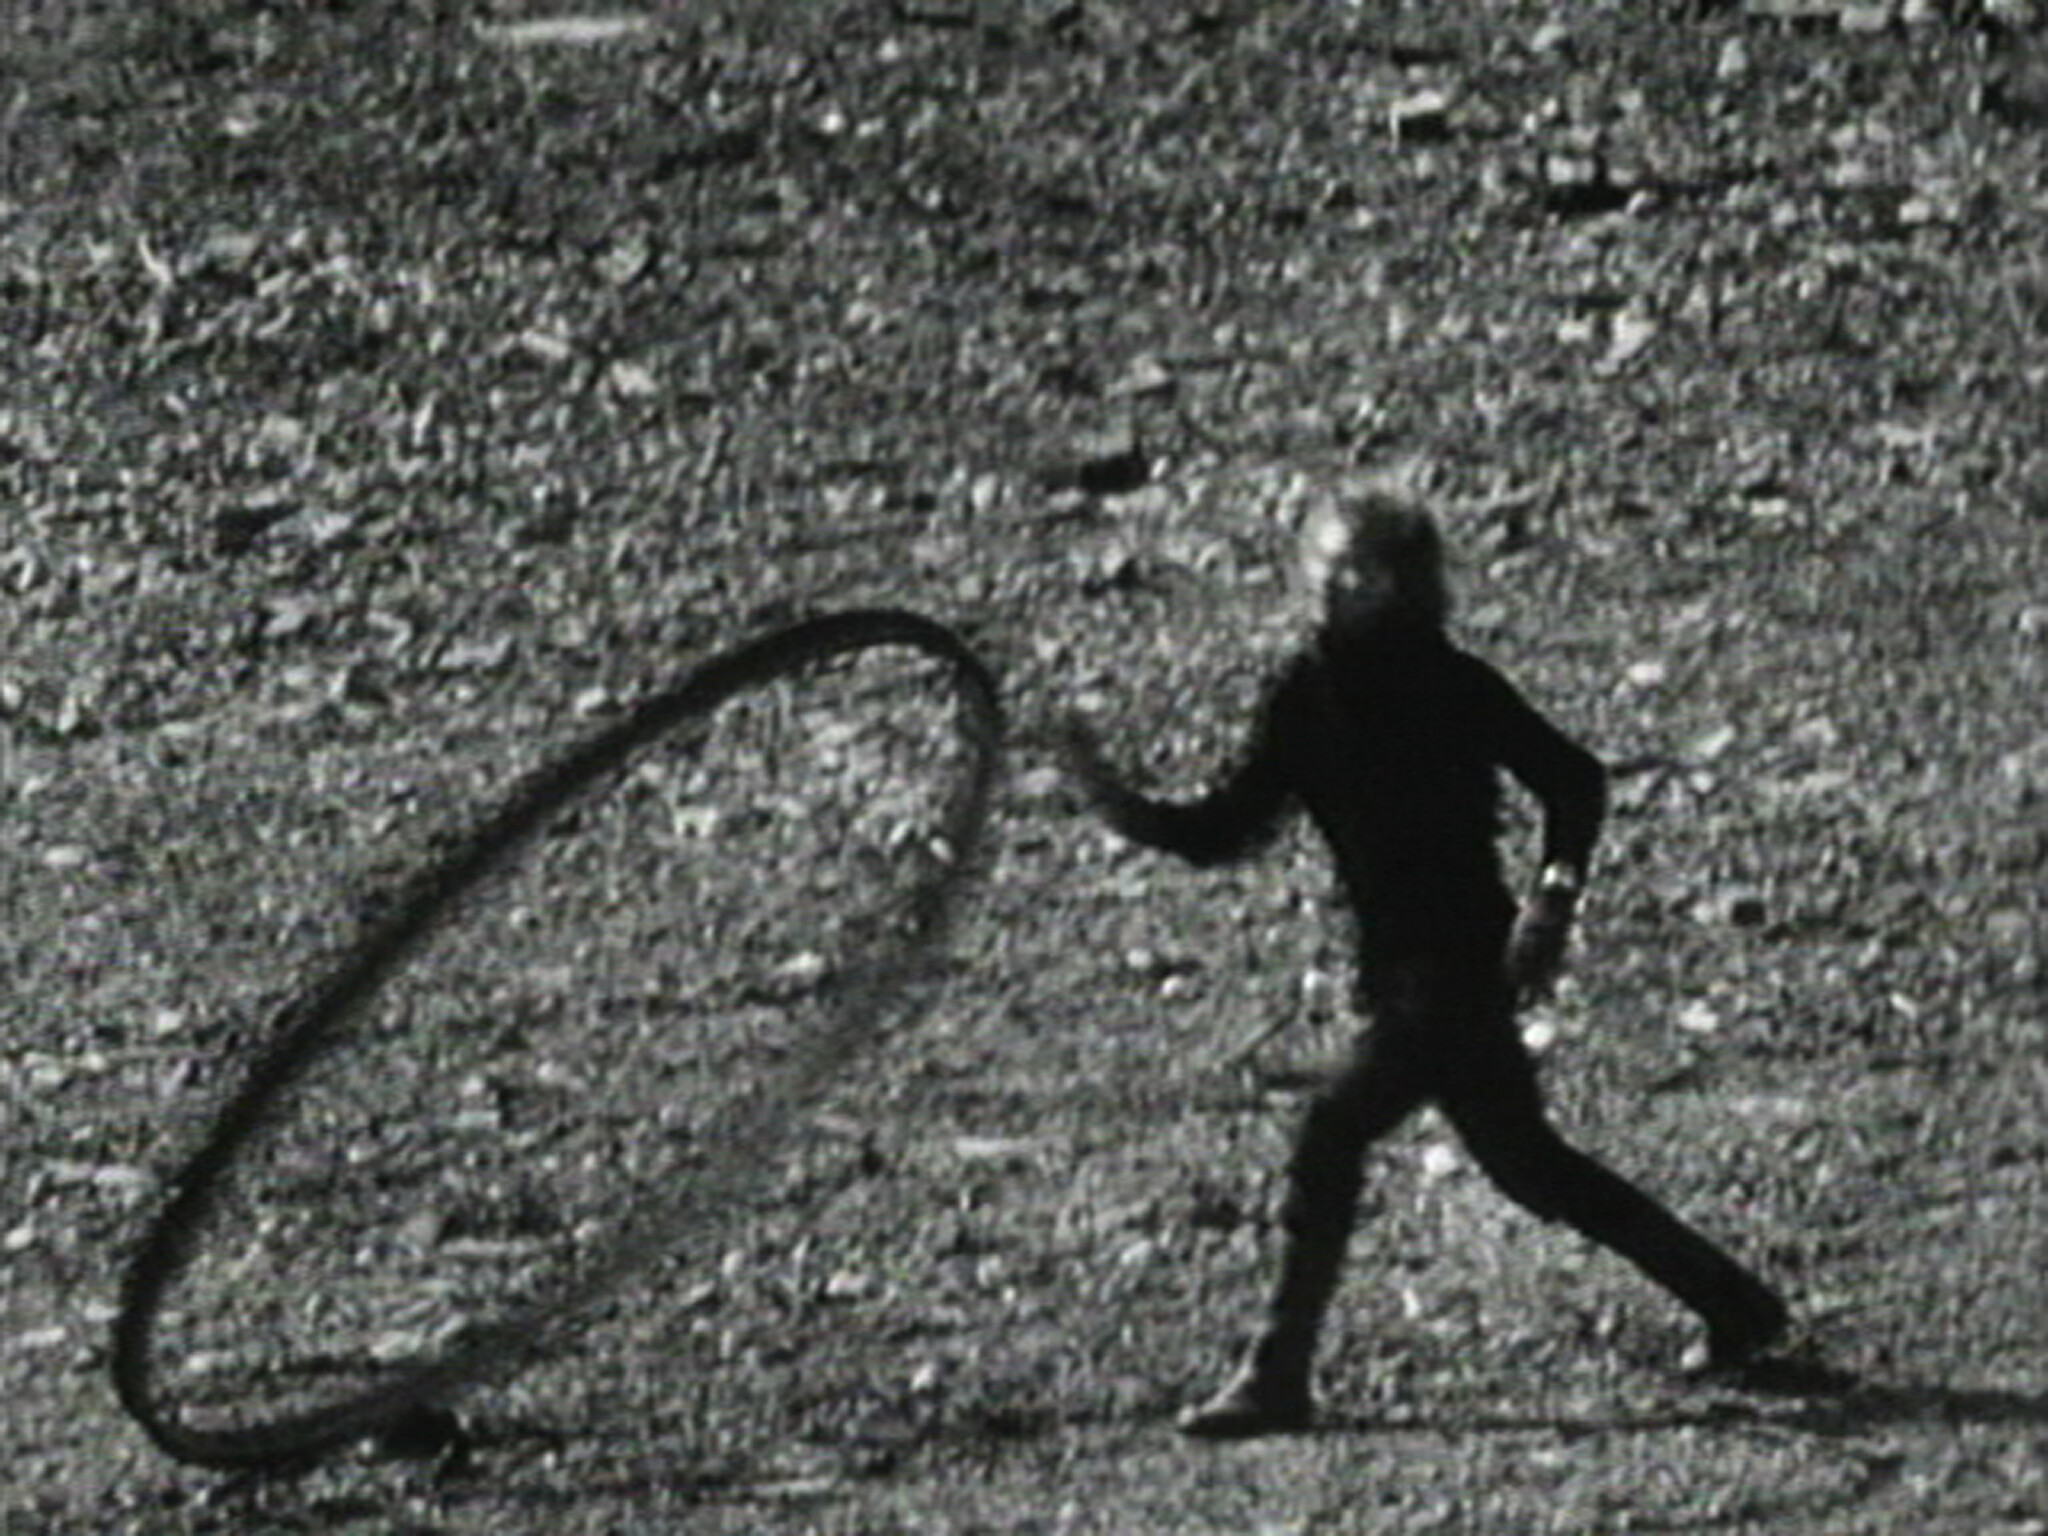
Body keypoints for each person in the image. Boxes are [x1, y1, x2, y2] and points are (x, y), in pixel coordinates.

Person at [1060, 491, 1789, 1438]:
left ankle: (1278, 1376)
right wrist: (1111, 797)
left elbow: (1575, 782)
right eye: (1336, 570)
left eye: (1367, 574)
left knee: (1332, 1132)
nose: (1345, 590)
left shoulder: (1453, 686)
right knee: (1533, 1171)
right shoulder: (1305, 695)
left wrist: (1554, 901)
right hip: (1410, 975)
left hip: (1456, 972)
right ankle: (1736, 1305)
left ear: (1410, 584)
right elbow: (1224, 830)